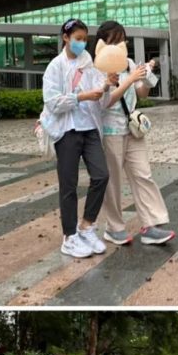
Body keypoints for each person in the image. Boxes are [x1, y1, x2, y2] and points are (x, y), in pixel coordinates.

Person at [96, 22, 175, 247]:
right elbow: (106, 101)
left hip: (132, 130)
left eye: (123, 39)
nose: (122, 44)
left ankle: (151, 225)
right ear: (103, 43)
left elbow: (140, 93)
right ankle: (114, 228)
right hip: (110, 131)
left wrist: (147, 77)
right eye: (116, 40)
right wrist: (130, 79)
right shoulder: (100, 67)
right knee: (113, 182)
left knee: (143, 175)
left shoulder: (129, 63)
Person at [41, 18, 109, 259]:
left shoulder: (90, 64)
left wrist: (106, 87)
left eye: (85, 39)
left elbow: (99, 99)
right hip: (67, 130)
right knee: (68, 184)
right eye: (78, 39)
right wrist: (81, 97)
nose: (82, 44)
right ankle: (69, 236)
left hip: (89, 128)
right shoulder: (55, 67)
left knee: (101, 175)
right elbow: (52, 102)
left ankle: (87, 225)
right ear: (66, 38)